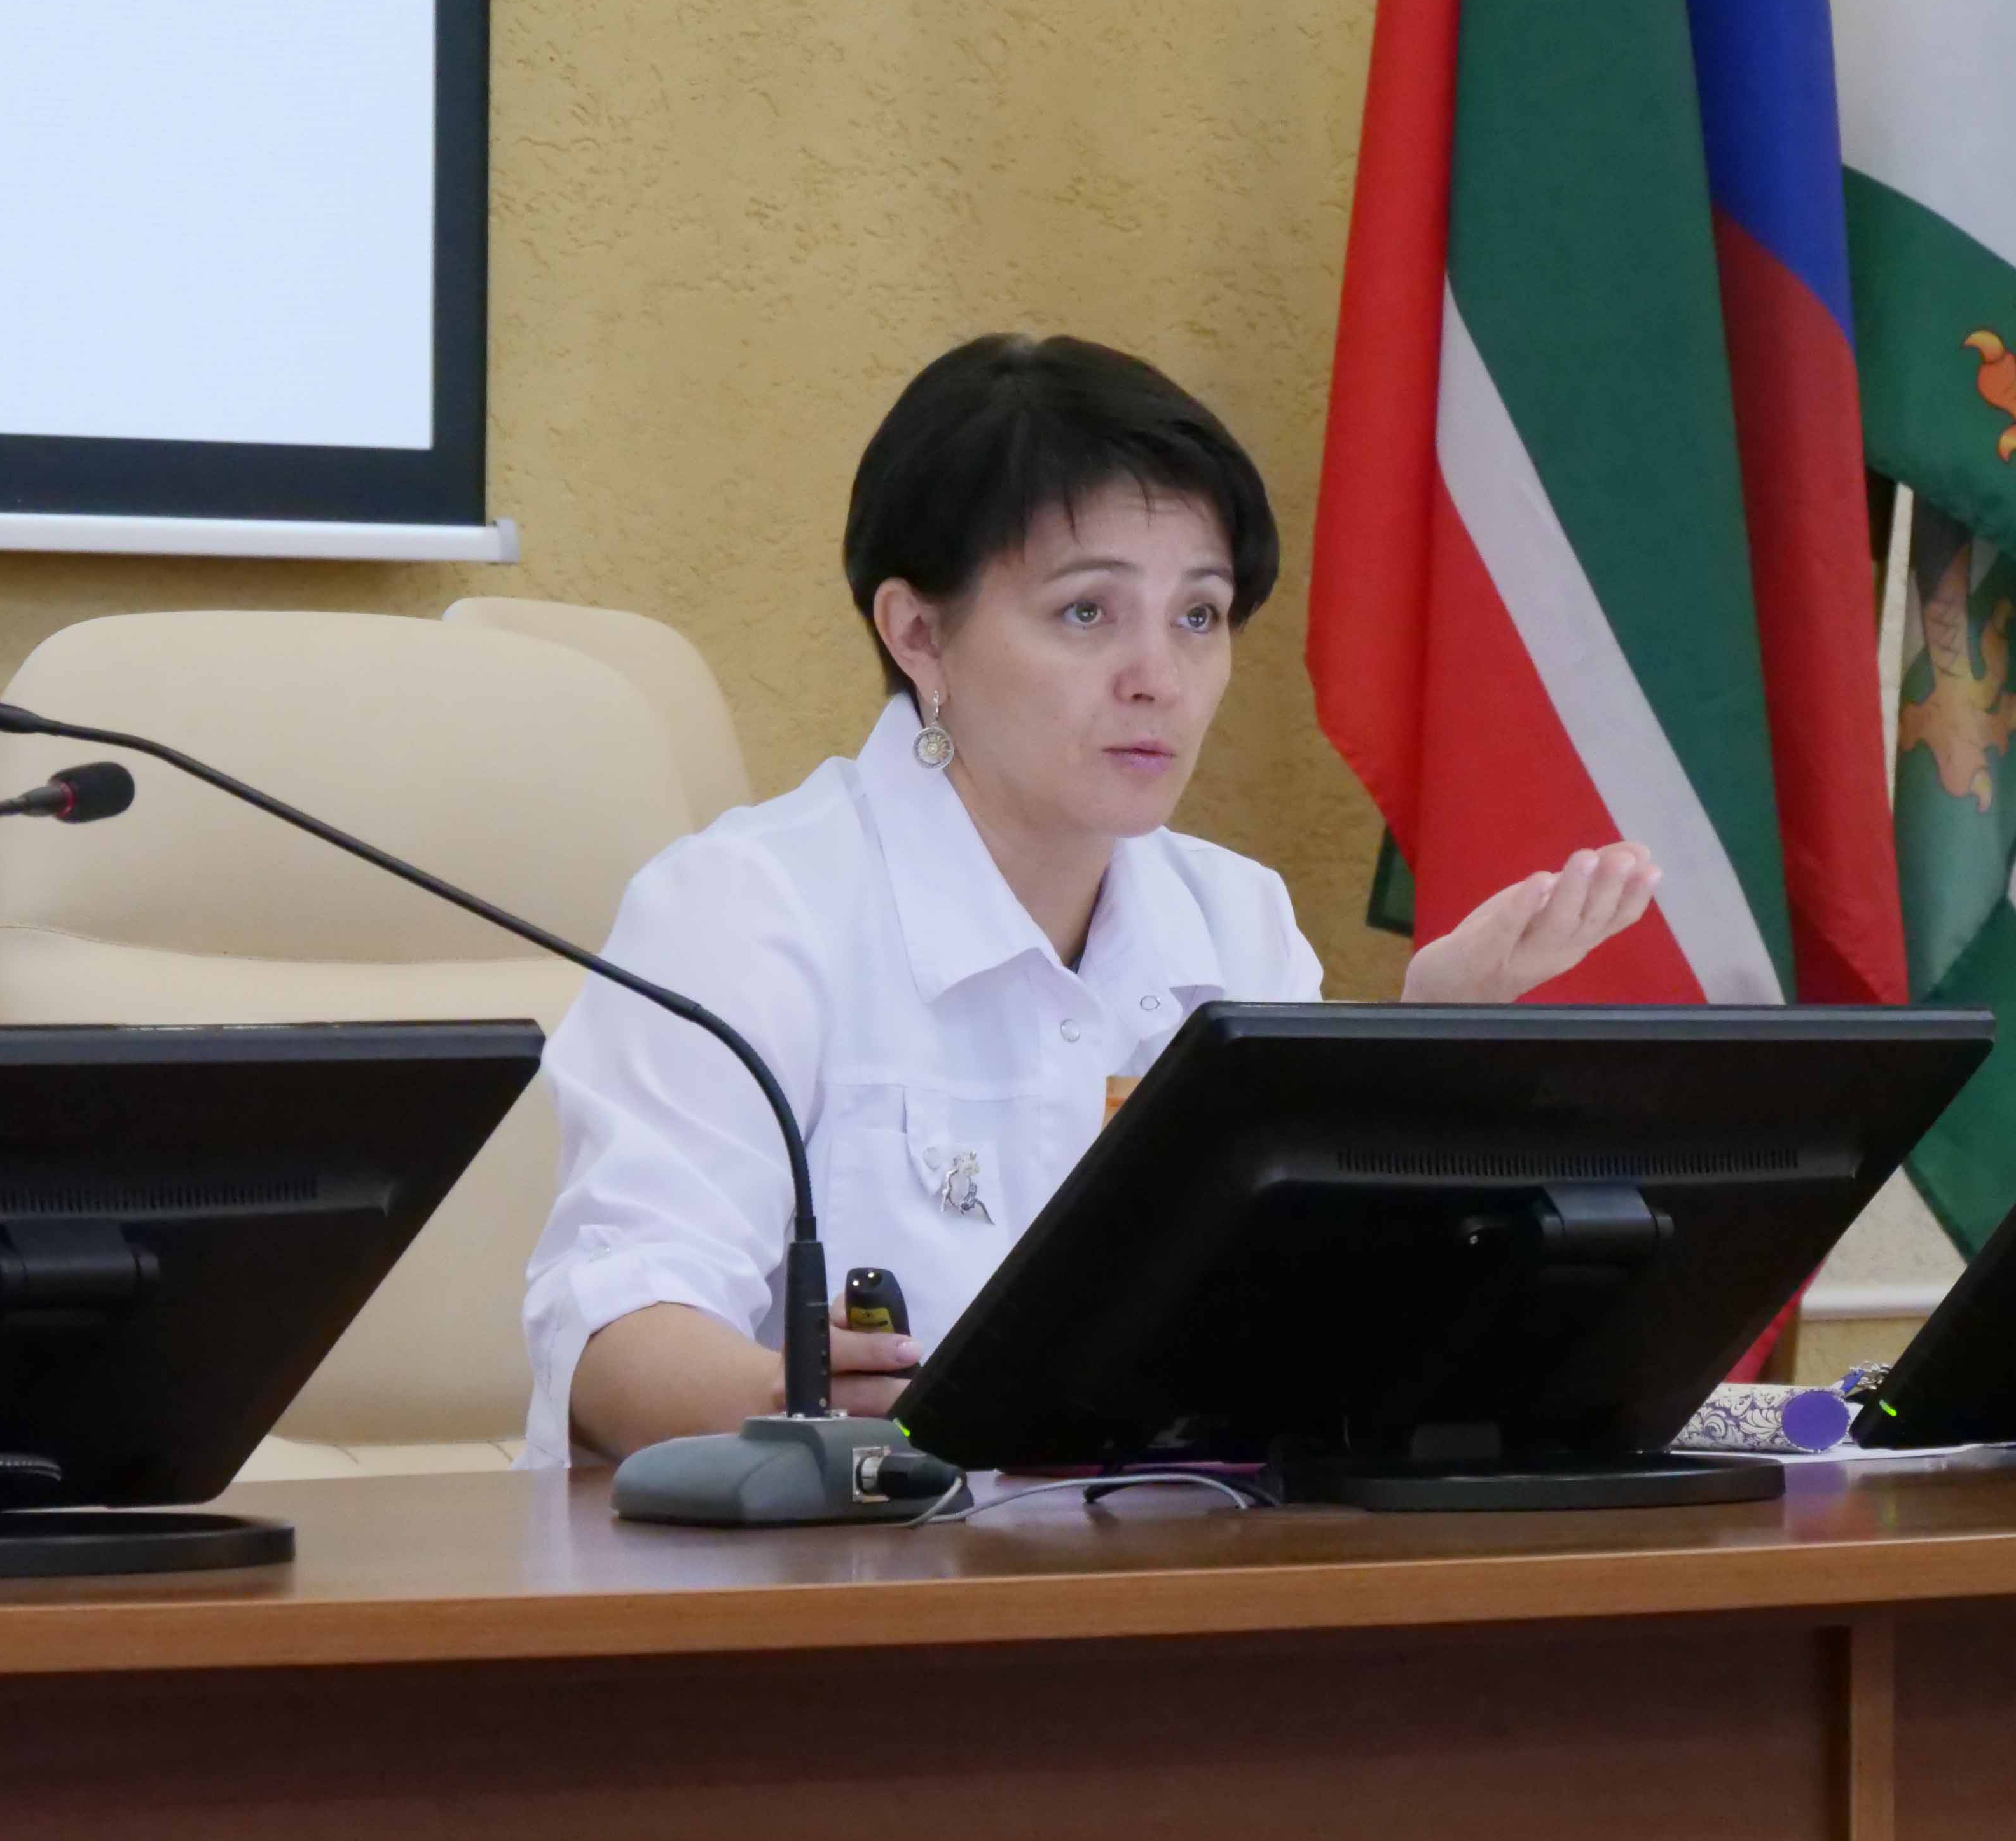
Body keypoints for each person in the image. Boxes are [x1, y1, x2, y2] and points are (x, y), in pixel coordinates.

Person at [522, 335, 1660, 1464]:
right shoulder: (746, 910)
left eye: (1199, 615)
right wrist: (812, 1407)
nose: (1158, 678)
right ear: (919, 634)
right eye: (1086, 614)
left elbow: (1328, 1338)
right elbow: (614, 1338)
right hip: (850, 1558)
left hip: (1170, 1559)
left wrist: (1428, 1055)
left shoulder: (1238, 920)